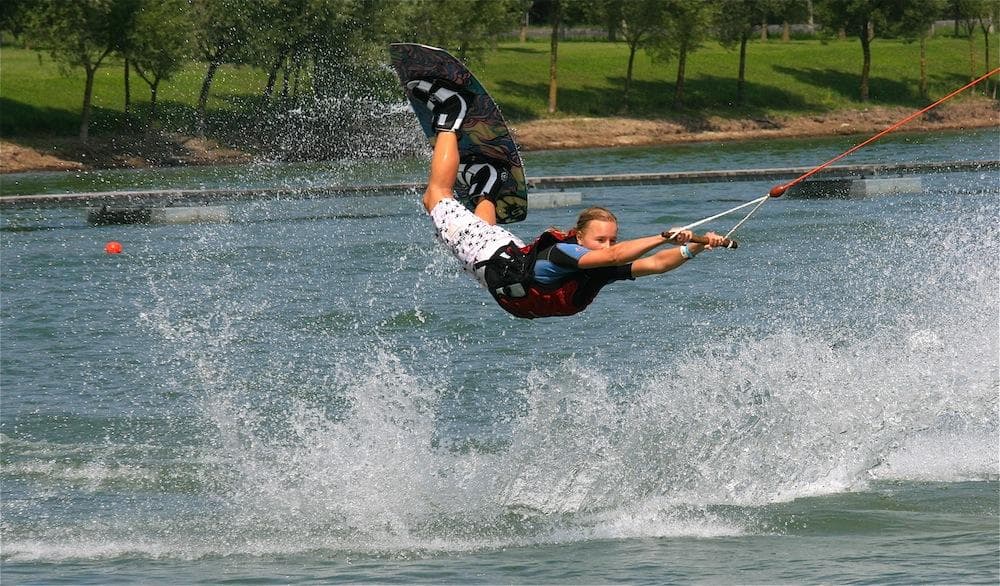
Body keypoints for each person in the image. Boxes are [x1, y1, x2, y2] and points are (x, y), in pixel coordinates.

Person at [411, 80, 729, 319]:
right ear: (578, 237)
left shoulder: (598, 268)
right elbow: (616, 256)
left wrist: (695, 246)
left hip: (496, 263)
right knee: (435, 196)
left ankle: (487, 185)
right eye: (600, 239)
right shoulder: (565, 252)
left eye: (611, 239)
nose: (606, 245)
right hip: (491, 259)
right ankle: (451, 112)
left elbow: (658, 264)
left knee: (478, 230)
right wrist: (662, 236)